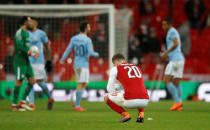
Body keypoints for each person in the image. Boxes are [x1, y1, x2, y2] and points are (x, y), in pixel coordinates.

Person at [60, 21, 99, 111]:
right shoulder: (88, 40)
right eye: (89, 27)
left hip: (78, 64)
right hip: (82, 65)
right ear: (85, 29)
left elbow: (68, 49)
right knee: (81, 84)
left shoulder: (74, 38)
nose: (90, 28)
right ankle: (77, 105)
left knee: (85, 83)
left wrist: (62, 59)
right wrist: (97, 54)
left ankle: (76, 101)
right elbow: (91, 53)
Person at [104, 53, 149, 123]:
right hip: (145, 101)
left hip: (131, 101)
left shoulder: (116, 68)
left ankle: (125, 115)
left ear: (116, 61)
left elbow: (109, 88)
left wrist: (115, 93)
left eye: (113, 63)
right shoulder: (136, 67)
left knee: (106, 97)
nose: (113, 65)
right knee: (139, 90)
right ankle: (141, 115)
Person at [11, 16, 39, 111]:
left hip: (26, 61)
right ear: (25, 22)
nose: (31, 23)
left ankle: (22, 102)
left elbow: (27, 47)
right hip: (20, 61)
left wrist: (34, 52)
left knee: (32, 81)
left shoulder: (26, 34)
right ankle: (14, 105)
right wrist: (30, 53)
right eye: (30, 21)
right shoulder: (19, 33)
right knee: (19, 81)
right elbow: (19, 47)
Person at [27, 17, 54, 111]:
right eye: (28, 21)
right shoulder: (25, 33)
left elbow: (47, 46)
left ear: (36, 23)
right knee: (29, 82)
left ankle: (50, 98)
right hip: (29, 61)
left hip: (39, 62)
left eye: (31, 21)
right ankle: (31, 104)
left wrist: (49, 59)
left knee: (40, 82)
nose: (29, 23)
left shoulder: (41, 33)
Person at [160, 18, 185, 111]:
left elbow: (176, 44)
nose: (163, 27)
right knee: (176, 82)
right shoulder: (173, 31)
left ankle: (178, 102)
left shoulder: (171, 31)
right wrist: (168, 55)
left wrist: (166, 52)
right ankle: (179, 104)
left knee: (166, 80)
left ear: (169, 24)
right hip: (178, 59)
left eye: (164, 24)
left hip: (175, 60)